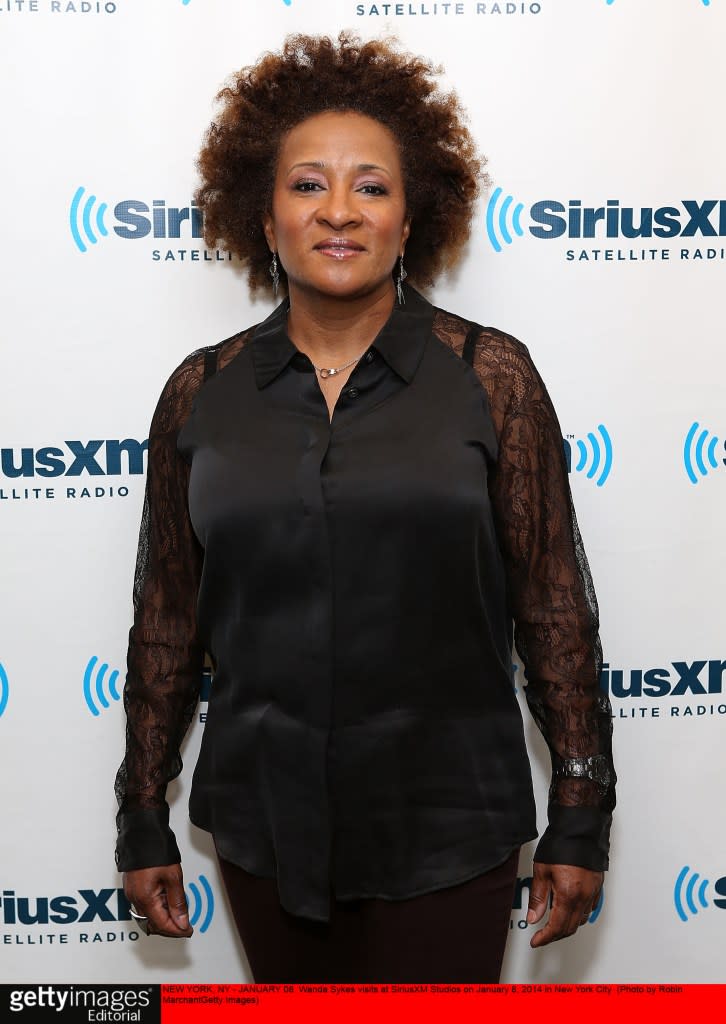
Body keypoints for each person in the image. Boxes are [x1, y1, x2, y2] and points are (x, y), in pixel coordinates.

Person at [115, 32, 616, 984]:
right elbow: (169, 619)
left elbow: (553, 608)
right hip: (265, 826)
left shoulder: (490, 375)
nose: (338, 211)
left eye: (371, 187)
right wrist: (142, 810)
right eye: (307, 185)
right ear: (262, 216)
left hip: (453, 827)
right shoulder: (200, 392)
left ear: (408, 214)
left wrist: (582, 811)